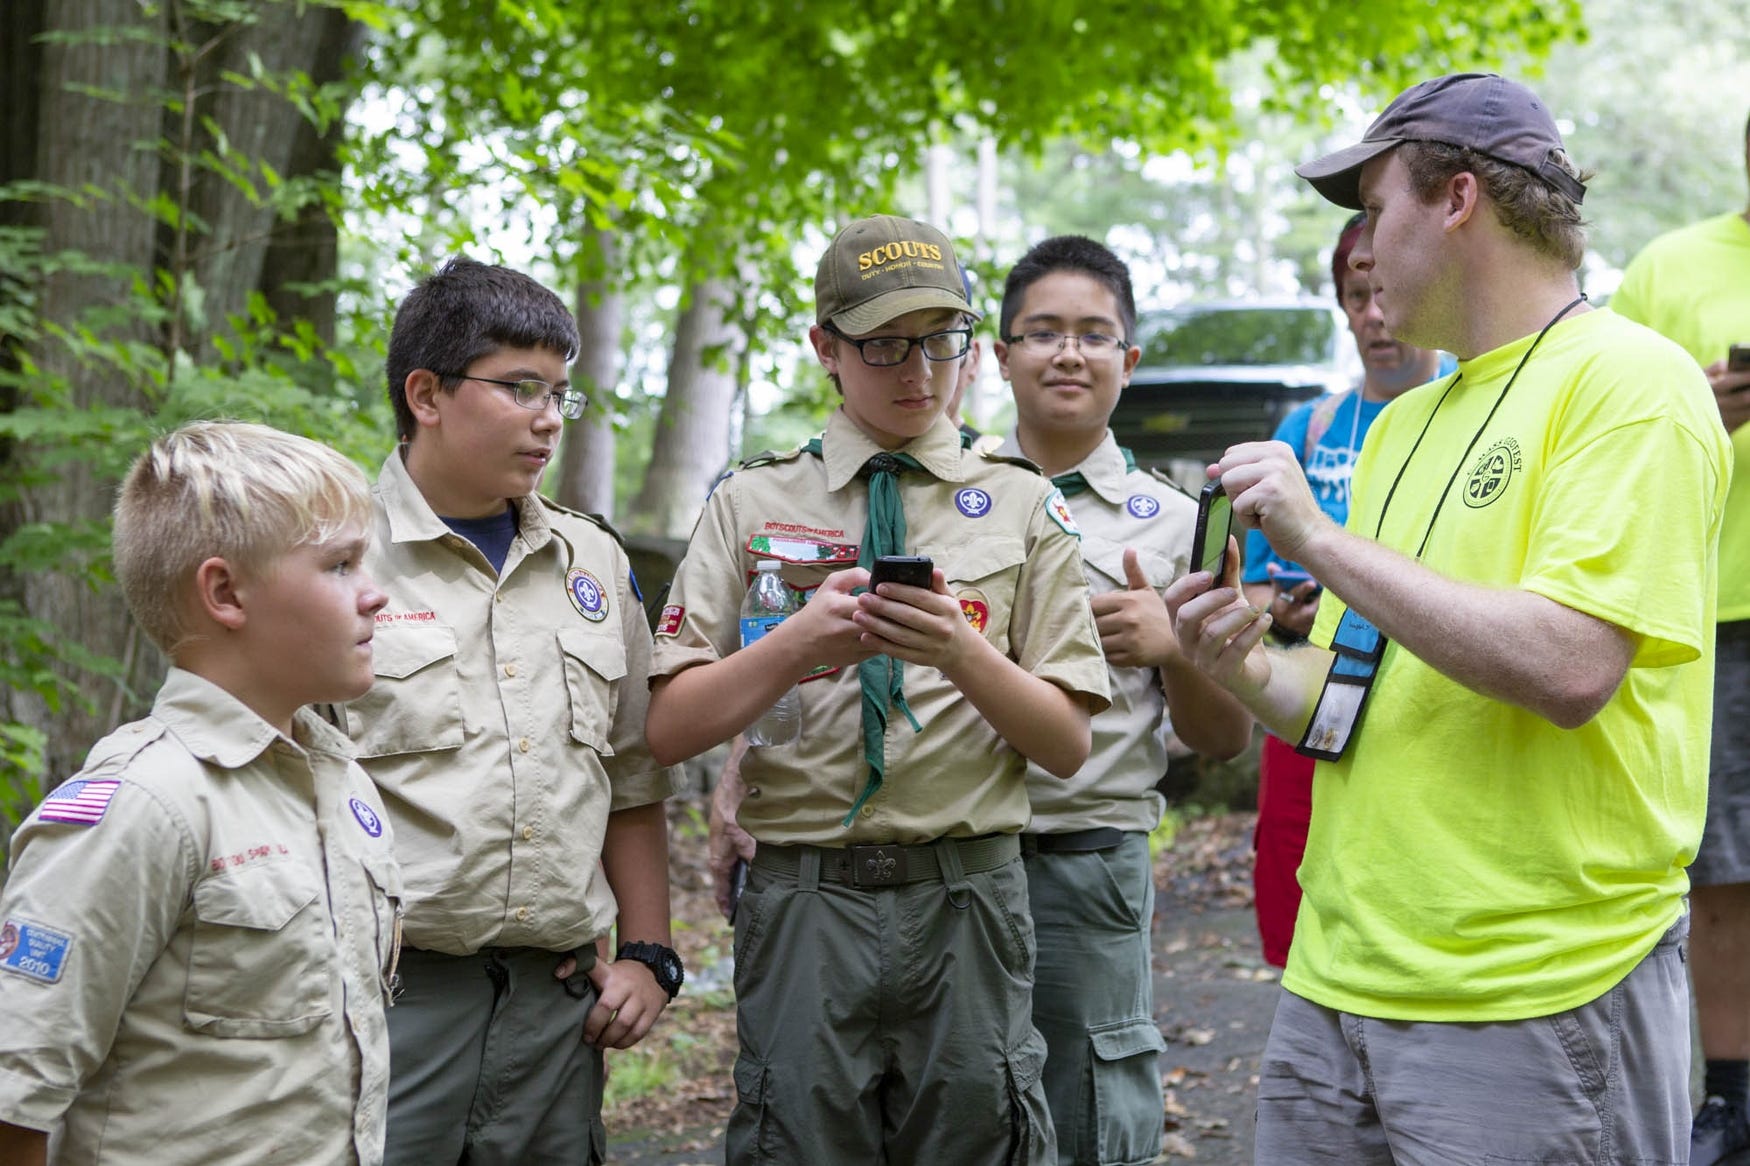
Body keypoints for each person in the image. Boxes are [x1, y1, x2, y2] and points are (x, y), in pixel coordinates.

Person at [1168, 73, 1730, 1162]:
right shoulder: (1401, 426)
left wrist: (1321, 541)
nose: (1361, 249)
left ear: (1458, 198)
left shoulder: (1631, 383)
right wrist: (1236, 659)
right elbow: (1338, 704)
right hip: (1332, 988)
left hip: (1536, 994)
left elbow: (1573, 665)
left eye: (1373, 209)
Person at [647, 213, 1111, 1164]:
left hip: (968, 901)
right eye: (885, 345)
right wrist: (793, 648)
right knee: (796, 1141)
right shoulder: (752, 501)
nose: (919, 374)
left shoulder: (1022, 501)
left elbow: (1066, 746)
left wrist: (963, 653)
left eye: (942, 341)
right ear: (826, 348)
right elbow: (668, 727)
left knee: (981, 1139)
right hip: (805, 901)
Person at [334, 257, 683, 1165]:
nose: (547, 418)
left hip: (556, 1010)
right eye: (520, 387)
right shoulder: (332, 555)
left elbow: (632, 775)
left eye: (561, 393)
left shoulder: (594, 563)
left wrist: (648, 952)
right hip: (390, 1000)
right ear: (426, 394)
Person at [0, 420, 400, 1165]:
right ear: (224, 592)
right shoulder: (143, 804)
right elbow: (14, 1099)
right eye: (341, 563)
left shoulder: (342, 782)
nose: (376, 595)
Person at [991, 234, 1252, 1165]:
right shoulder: (940, 493)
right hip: (946, 856)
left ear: (1128, 362)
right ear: (1000, 353)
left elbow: (1222, 736)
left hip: (1088, 859)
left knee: (1093, 1113)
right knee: (957, 1108)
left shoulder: (1178, 522)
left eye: (1095, 335)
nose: (1069, 353)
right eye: (1044, 332)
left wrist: (1175, 646)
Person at [1240, 213, 1451, 969]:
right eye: (1354, 296)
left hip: (1426, 693)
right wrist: (1289, 609)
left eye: (1382, 291)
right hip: (1315, 682)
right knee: (1298, 895)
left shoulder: (1467, 407)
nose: (1373, 314)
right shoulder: (1310, 425)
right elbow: (1259, 586)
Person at [1611, 108, 1750, 1165]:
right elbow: (1607, 426)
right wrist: (1702, 408)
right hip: (1719, 611)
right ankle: (1730, 1098)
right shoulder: (1670, 265)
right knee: (1723, 871)